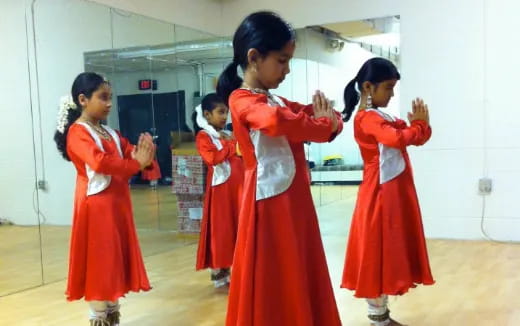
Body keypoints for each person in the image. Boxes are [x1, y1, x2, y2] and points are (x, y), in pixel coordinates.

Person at [217, 11, 343, 326]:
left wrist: (328, 122)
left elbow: (321, 115)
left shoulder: (274, 99)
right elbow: (275, 122)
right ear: (254, 57)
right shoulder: (241, 100)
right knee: (275, 279)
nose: (287, 70)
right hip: (269, 205)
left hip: (294, 201)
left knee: (298, 270)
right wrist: (322, 126)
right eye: (282, 61)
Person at [54, 72, 154, 326]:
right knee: (101, 261)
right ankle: (99, 316)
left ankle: (112, 313)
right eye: (103, 97)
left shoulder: (109, 131)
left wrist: (145, 156)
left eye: (110, 98)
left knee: (114, 260)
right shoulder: (78, 133)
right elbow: (99, 162)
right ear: (83, 99)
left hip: (117, 204)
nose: (109, 103)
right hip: (97, 206)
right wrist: (135, 163)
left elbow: (129, 151)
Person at [340, 58, 434, 326]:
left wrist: (419, 126)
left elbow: (417, 137)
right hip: (379, 193)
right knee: (376, 251)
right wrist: (416, 127)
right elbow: (397, 138)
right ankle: (378, 318)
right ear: (368, 87)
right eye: (389, 88)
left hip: (394, 190)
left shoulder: (384, 117)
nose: (392, 95)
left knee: (389, 250)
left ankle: (382, 316)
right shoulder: (366, 118)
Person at [192, 93, 244, 289]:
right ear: (207, 114)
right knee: (222, 231)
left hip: (238, 190)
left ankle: (236, 268)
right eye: (220, 112)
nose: (225, 117)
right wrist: (233, 147)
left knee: (237, 228)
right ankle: (220, 270)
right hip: (221, 192)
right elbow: (212, 159)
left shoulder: (229, 134)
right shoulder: (204, 137)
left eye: (226, 112)